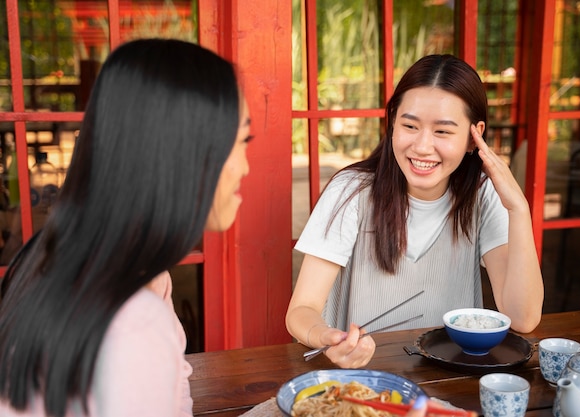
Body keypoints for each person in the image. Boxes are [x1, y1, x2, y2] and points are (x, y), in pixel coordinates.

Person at [0, 38, 252, 417]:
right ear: (185, 155)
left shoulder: (43, 258)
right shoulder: (132, 319)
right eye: (242, 141)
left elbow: (176, 388)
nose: (246, 167)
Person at [286, 54, 544, 369]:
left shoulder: (483, 194)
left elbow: (523, 317)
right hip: (365, 380)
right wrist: (326, 336)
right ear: (393, 121)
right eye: (410, 125)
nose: (422, 146)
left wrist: (519, 209)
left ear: (473, 136)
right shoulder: (351, 191)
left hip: (451, 381)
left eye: (443, 131)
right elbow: (301, 310)